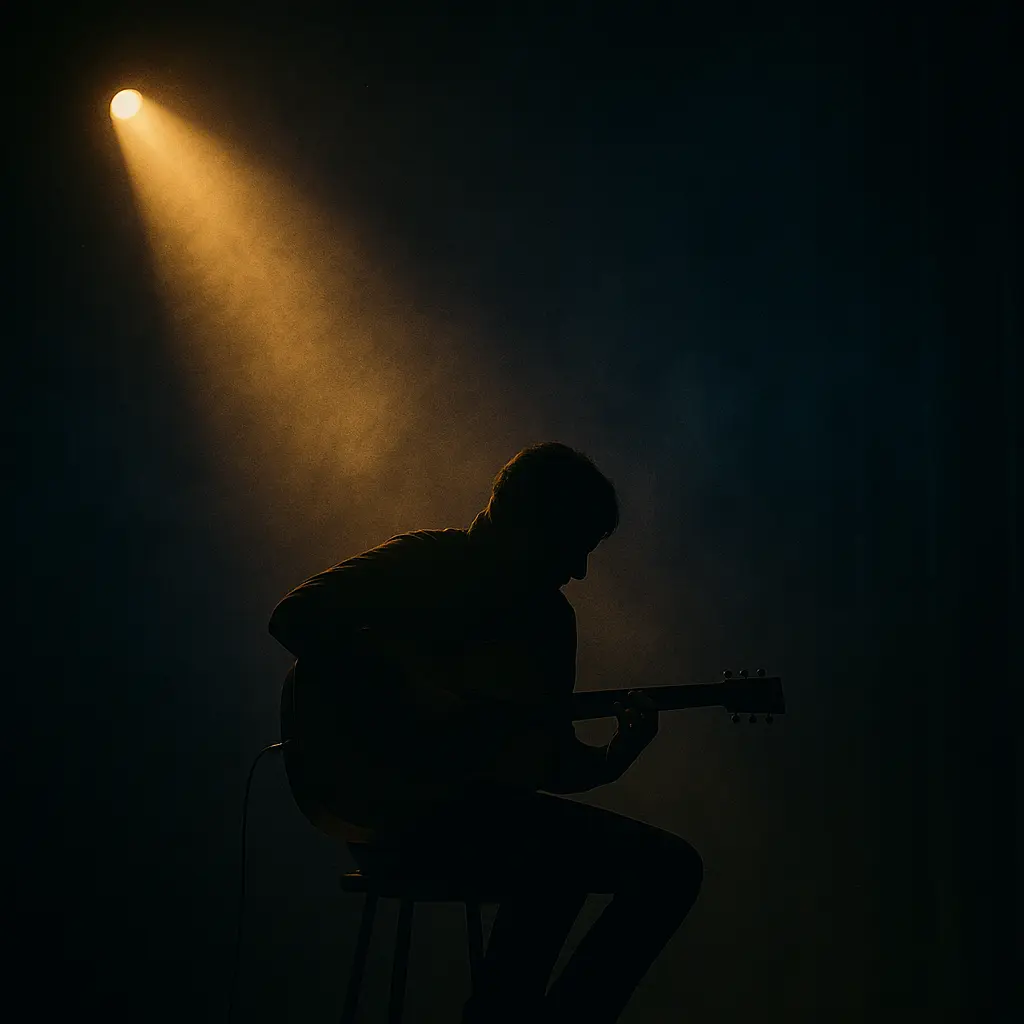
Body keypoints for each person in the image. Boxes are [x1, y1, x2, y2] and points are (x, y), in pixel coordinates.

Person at [268, 442, 703, 1024]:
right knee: (598, 863)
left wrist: (614, 758)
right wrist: (407, 688)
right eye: (576, 544)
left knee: (617, 864)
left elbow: (549, 764)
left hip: (467, 812)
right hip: (389, 806)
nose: (580, 569)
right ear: (530, 524)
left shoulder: (549, 622)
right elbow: (293, 616)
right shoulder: (428, 563)